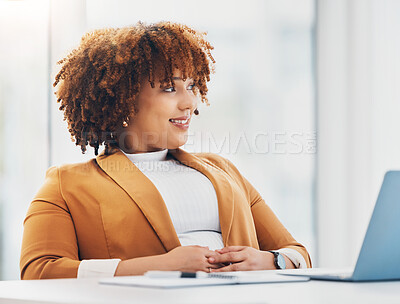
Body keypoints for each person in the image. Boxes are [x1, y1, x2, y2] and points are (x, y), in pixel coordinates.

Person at [20, 21, 312, 279]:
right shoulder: (67, 184)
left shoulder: (222, 169)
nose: (189, 102)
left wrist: (269, 261)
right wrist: (157, 267)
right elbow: (39, 270)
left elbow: (298, 254)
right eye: (169, 89)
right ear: (124, 99)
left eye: (192, 85)